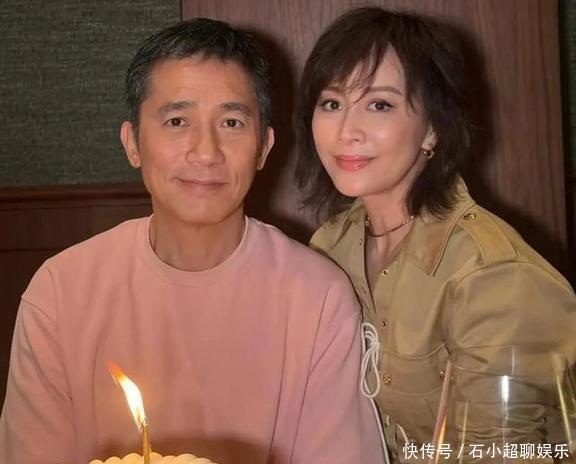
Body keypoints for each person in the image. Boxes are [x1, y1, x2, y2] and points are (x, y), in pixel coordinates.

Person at [0, 18, 384, 464]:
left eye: (231, 122)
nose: (205, 152)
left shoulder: (318, 297)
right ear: (132, 143)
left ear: (263, 147)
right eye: (177, 121)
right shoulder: (59, 292)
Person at [295, 7, 576, 463]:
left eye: (379, 105)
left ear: (432, 129)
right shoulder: (330, 248)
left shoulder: (494, 277)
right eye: (331, 103)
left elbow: (502, 453)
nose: (346, 131)